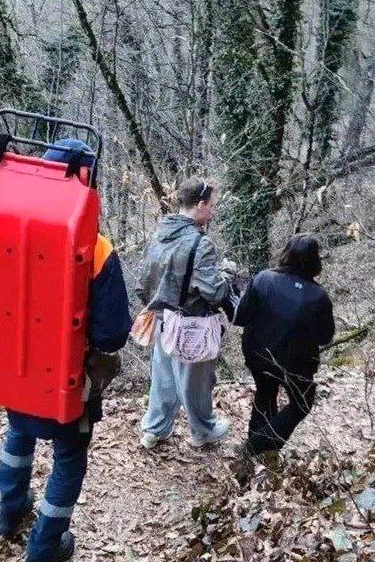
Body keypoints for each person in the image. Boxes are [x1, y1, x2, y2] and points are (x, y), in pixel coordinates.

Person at [0, 138, 132, 562]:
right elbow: (112, 334)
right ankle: (43, 550)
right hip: (65, 380)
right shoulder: (96, 249)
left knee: (19, 430)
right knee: (69, 458)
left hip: (8, 370)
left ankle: (9, 513)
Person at [137, 177, 233, 449]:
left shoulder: (160, 233)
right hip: (193, 324)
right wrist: (227, 276)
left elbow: (143, 281)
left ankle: (155, 430)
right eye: (211, 205)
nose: (213, 211)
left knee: (163, 379)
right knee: (196, 384)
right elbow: (214, 292)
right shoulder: (200, 243)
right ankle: (203, 431)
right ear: (200, 205)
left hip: (163, 319)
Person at [232, 234, 334, 466]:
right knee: (302, 403)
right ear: (315, 260)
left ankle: (257, 454)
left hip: (257, 355)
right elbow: (325, 337)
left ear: (286, 253)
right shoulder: (318, 296)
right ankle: (256, 446)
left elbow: (242, 316)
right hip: (296, 364)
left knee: (265, 392)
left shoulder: (263, 279)